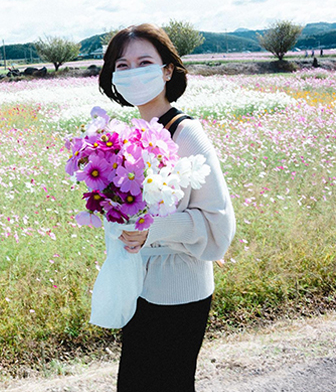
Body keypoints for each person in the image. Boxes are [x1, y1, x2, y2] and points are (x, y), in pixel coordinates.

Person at [98, 23, 236, 391]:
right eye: (122, 65)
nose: (132, 72)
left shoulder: (186, 133)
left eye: (144, 61)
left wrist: (151, 230)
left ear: (167, 70)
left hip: (179, 292)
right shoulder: (132, 131)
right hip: (140, 287)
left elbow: (218, 225)